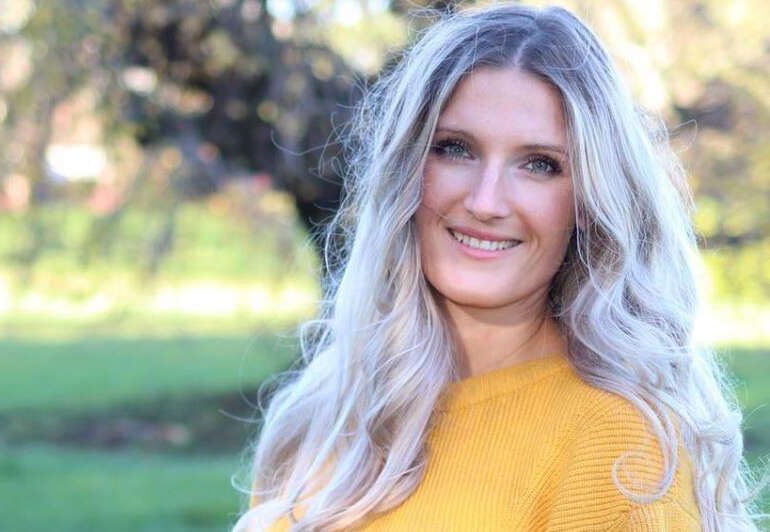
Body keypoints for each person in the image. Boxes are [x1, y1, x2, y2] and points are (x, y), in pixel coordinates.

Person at [233, 3, 768, 531]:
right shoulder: (323, 414)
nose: (486, 201)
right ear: (406, 168)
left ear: (588, 200)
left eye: (539, 164)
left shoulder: (618, 452)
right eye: (455, 149)